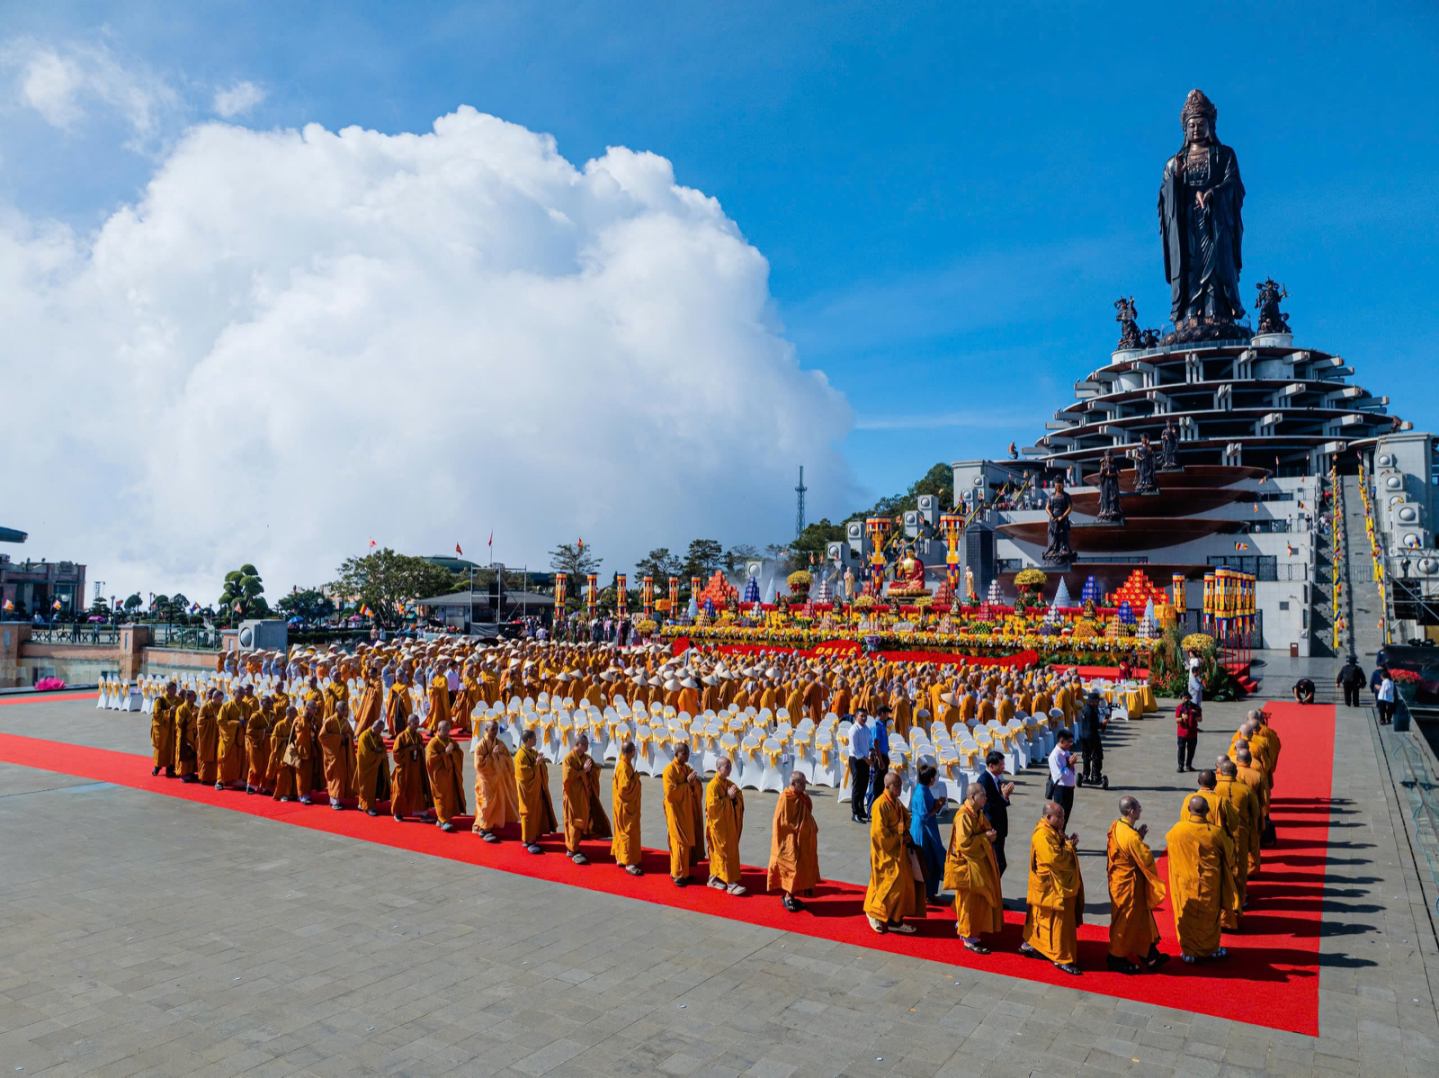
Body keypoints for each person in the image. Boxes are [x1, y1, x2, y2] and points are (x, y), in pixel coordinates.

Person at [1165, 794, 1234, 963]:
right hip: (1209, 882)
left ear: (1189, 810)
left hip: (1184, 882)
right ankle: (1210, 949)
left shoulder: (1177, 830)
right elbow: (1230, 855)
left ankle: (1188, 951)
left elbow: (1171, 847)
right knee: (1209, 917)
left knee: (1186, 913)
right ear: (1207, 811)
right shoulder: (1215, 833)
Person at [1019, 801, 1083, 975]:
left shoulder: (1052, 831)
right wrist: (1069, 846)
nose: (1063, 820)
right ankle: (1061, 957)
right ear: (1048, 817)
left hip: (1053, 886)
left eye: (1063, 816)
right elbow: (1054, 859)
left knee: (1045, 920)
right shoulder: (1042, 834)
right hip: (1051, 888)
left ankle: (1036, 946)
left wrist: (1067, 842)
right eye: (1059, 816)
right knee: (1058, 923)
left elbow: (1058, 850)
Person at [1105, 797, 1168, 974]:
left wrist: (1138, 837)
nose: (1141, 809)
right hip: (1128, 886)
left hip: (1121, 881)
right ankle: (1116, 957)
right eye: (1138, 807)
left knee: (1139, 920)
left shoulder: (1117, 825)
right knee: (1125, 921)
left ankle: (1149, 955)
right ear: (1132, 811)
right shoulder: (1131, 837)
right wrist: (1139, 840)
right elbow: (1146, 859)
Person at [944, 785, 1002, 953]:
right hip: (966, 866)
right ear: (972, 797)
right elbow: (964, 844)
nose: (985, 798)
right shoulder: (963, 816)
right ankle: (967, 934)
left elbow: (984, 829)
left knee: (975, 901)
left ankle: (965, 925)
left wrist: (990, 834)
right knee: (968, 902)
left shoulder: (977, 813)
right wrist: (985, 837)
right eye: (982, 795)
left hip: (976, 863)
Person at [863, 771, 920, 934]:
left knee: (901, 885)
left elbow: (904, 820)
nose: (900, 789)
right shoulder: (880, 804)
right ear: (887, 785)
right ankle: (876, 914)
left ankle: (895, 918)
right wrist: (899, 837)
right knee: (886, 884)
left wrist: (903, 833)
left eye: (901, 786)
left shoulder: (895, 802)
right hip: (885, 852)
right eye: (897, 786)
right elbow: (878, 834)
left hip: (897, 851)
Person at [768, 772, 820, 913]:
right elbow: (782, 821)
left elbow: (808, 810)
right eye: (802, 783)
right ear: (793, 784)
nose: (804, 785)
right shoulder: (785, 797)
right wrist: (799, 829)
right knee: (792, 868)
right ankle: (788, 897)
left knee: (801, 867)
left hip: (802, 840)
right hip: (789, 840)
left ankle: (792, 895)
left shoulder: (801, 797)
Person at [560, 734, 611, 863]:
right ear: (579, 745)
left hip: (584, 797)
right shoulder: (569, 759)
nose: (588, 746)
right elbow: (567, 778)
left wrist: (594, 769)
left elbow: (592, 773)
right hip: (572, 797)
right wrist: (583, 771)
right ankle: (572, 849)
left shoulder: (587, 758)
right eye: (586, 744)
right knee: (573, 822)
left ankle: (575, 846)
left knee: (582, 821)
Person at [662, 743, 705, 886]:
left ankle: (685, 872)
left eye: (687, 753)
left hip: (686, 812)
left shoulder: (686, 769)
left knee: (686, 844)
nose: (687, 756)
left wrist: (693, 784)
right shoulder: (669, 771)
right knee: (678, 842)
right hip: (675, 812)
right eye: (684, 754)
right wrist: (687, 783)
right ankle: (677, 874)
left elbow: (696, 788)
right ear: (677, 754)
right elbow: (670, 793)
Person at [471, 720, 520, 842]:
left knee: (499, 803)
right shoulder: (480, 745)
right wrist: (492, 755)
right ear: (486, 730)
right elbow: (478, 765)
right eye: (492, 729)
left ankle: (493, 825)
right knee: (486, 804)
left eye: (496, 729)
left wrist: (500, 757)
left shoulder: (500, 743)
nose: (495, 732)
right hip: (485, 780)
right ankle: (484, 828)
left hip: (498, 779)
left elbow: (508, 759)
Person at [705, 757, 747, 895]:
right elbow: (713, 808)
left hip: (728, 825)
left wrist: (735, 798)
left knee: (723, 853)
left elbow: (738, 798)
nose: (729, 769)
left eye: (730, 766)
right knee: (723, 853)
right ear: (718, 768)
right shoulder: (713, 785)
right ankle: (730, 884)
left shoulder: (727, 783)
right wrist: (729, 797)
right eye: (726, 767)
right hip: (718, 827)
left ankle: (713, 879)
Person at [514, 727, 558, 854]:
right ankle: (528, 841)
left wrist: (541, 763)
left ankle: (534, 835)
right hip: (527, 792)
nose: (536, 740)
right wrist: (536, 765)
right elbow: (523, 775)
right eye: (534, 738)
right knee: (527, 813)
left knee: (537, 812)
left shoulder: (532, 752)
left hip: (536, 790)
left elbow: (539, 767)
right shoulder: (520, 756)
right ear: (528, 740)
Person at [908, 764, 947, 901]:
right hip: (924, 830)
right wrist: (938, 806)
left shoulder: (922, 789)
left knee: (928, 860)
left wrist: (936, 803)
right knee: (927, 860)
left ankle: (928, 892)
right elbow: (925, 815)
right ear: (930, 779)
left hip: (923, 827)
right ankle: (926, 893)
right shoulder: (922, 792)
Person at [424, 719, 467, 832]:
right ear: (438, 730)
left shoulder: (450, 741)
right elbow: (430, 760)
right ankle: (443, 821)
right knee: (441, 797)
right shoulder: (433, 743)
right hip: (439, 776)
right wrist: (445, 753)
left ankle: (442, 818)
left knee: (450, 797)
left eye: (449, 730)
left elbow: (459, 753)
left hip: (450, 775)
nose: (448, 732)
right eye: (445, 730)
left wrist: (454, 753)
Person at [977, 750, 1014, 876]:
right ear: (991, 766)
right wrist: (1004, 796)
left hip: (1000, 827)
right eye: (1001, 765)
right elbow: (988, 806)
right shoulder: (984, 781)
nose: (1003, 767)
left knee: (997, 863)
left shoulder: (996, 779)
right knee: (998, 864)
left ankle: (993, 891)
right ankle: (991, 891)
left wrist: (1004, 797)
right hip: (992, 828)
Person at [610, 739, 644, 876]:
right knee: (628, 832)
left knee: (622, 831)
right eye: (634, 751)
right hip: (626, 807)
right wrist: (636, 780)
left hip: (621, 806)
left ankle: (621, 857)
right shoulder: (623, 767)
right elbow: (625, 790)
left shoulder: (624, 764)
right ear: (630, 753)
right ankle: (629, 863)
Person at [390, 714, 431, 822]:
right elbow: (396, 754)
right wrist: (409, 749)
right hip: (405, 769)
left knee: (417, 790)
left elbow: (422, 747)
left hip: (416, 768)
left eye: (418, 723)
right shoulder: (401, 737)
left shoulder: (418, 736)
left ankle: (420, 811)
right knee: (401, 790)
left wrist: (421, 748)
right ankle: (398, 812)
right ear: (409, 723)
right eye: (415, 723)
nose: (417, 726)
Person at [317, 699, 356, 810]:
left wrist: (347, 737)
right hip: (332, 755)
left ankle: (337, 798)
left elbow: (351, 734)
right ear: (336, 709)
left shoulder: (345, 721)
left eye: (346, 709)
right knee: (335, 776)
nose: (345, 711)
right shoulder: (329, 721)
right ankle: (334, 800)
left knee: (342, 775)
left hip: (343, 754)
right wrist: (339, 739)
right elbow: (322, 737)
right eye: (343, 709)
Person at [354, 713, 390, 816]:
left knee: (373, 787)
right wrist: (379, 755)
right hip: (366, 767)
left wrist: (380, 752)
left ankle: (362, 804)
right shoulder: (364, 736)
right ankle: (369, 807)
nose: (381, 732)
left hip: (374, 767)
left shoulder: (377, 736)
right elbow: (366, 755)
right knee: (366, 787)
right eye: (380, 730)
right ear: (375, 727)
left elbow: (383, 748)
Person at [215, 690, 246, 791]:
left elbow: (251, 719)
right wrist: (236, 723)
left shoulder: (246, 706)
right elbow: (221, 722)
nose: (241, 696)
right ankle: (220, 781)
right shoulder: (226, 706)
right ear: (233, 694)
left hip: (239, 738)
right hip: (228, 738)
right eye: (239, 694)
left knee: (237, 759)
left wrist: (245, 723)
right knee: (224, 759)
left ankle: (234, 779)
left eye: (243, 695)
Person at [1046, 730, 1078, 827]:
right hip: (1061, 791)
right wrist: (1069, 764)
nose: (1071, 744)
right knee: (1059, 819)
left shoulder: (1066, 752)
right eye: (1069, 742)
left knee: (1065, 817)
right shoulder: (1054, 756)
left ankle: (1061, 837)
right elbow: (1058, 776)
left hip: (1069, 789)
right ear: (1062, 741)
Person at [1076, 691, 1107, 787]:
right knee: (1097, 756)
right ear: (1092, 701)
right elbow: (1093, 725)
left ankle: (1085, 776)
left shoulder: (1086, 709)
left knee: (1086, 756)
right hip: (1092, 736)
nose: (1098, 702)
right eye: (1097, 701)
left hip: (1084, 736)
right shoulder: (1090, 711)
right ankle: (1095, 776)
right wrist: (1103, 724)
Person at [848, 711, 873, 823]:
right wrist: (866, 759)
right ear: (856, 717)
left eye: (865, 716)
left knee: (864, 785)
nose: (864, 718)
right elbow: (854, 749)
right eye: (861, 716)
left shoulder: (866, 728)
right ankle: (855, 813)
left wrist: (871, 751)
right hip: (856, 760)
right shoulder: (854, 730)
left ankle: (861, 809)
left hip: (865, 759)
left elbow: (869, 743)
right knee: (857, 786)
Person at [866, 706, 893, 813]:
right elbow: (876, 743)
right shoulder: (876, 725)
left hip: (883, 756)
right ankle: (873, 809)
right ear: (881, 713)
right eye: (886, 713)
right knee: (877, 785)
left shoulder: (882, 725)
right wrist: (880, 760)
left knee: (881, 784)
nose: (888, 716)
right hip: (879, 757)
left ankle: (879, 807)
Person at [195, 689, 221, 787]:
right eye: (219, 699)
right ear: (214, 698)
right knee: (205, 756)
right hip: (206, 736)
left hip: (216, 735)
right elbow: (200, 723)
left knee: (215, 756)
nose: (220, 702)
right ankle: (204, 777)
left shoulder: (220, 706)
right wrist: (212, 720)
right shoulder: (205, 707)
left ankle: (214, 777)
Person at [1175, 698, 1200, 773]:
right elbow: (1176, 720)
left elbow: (1200, 719)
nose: (1186, 700)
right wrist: (1182, 718)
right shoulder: (1179, 707)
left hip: (1193, 733)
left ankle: (1189, 765)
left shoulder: (1196, 707)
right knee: (1181, 750)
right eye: (1184, 698)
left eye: (1187, 698)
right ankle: (1180, 766)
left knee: (1191, 750)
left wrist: (1194, 715)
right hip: (1182, 733)